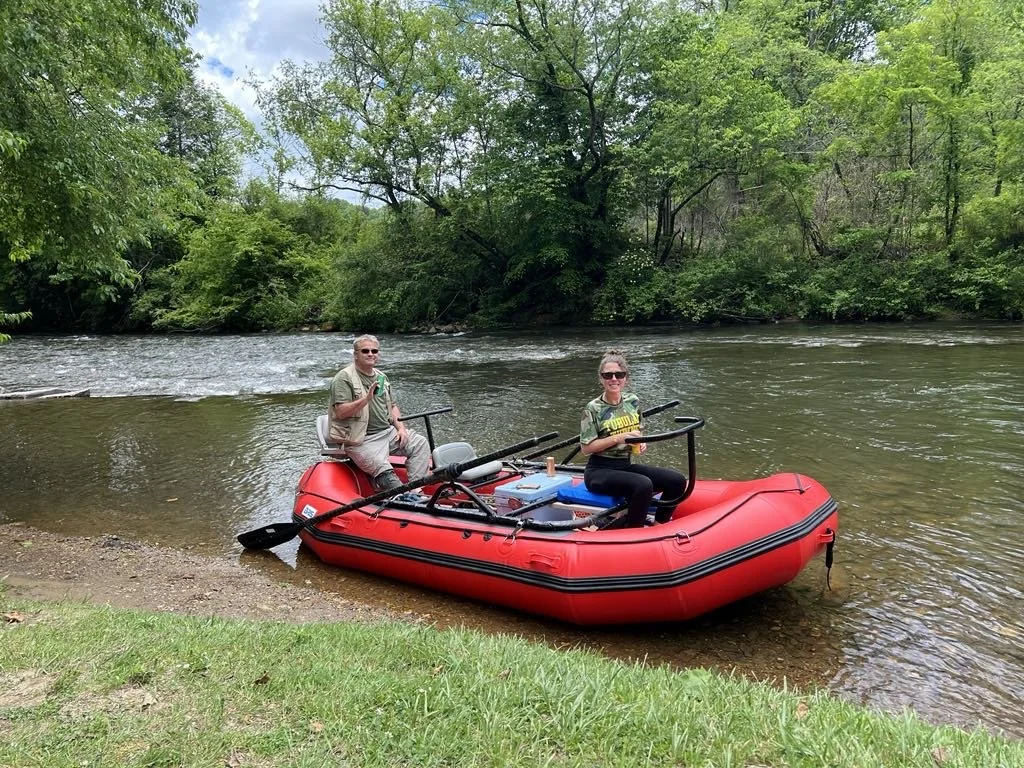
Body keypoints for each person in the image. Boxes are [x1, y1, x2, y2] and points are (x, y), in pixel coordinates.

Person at [579, 350, 685, 528]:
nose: (614, 379)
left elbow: (637, 431)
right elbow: (586, 448)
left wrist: (641, 441)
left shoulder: (632, 401)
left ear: (625, 378)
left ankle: (659, 526)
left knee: (677, 481)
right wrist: (617, 438)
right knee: (643, 485)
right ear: (601, 379)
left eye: (619, 374)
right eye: (608, 375)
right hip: (598, 471)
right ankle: (633, 531)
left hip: (625, 465)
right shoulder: (593, 408)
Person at [328, 334, 430, 492]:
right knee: (384, 471)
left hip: (387, 433)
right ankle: (403, 498)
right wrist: (366, 398)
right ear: (355, 354)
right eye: (365, 351)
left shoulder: (381, 377)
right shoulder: (344, 378)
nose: (370, 354)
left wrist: (401, 428)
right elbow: (340, 412)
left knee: (420, 443)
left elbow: (393, 406)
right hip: (360, 440)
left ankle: (416, 490)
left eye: (374, 351)